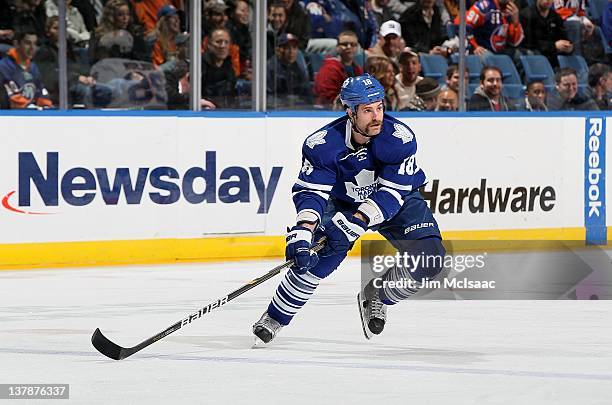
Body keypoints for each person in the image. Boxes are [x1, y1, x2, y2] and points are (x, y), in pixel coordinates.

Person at [252, 74, 444, 344]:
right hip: (341, 202)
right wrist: (304, 229)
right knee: (319, 255)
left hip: (395, 200)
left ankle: (379, 294)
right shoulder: (322, 144)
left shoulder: (399, 139)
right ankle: (275, 316)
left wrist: (355, 222)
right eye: (367, 110)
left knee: (430, 258)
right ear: (350, 113)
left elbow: (392, 193)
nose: (376, 116)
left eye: (379, 107)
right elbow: (312, 192)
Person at [0, 29, 53, 108]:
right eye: (28, 43)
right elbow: (12, 98)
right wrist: (31, 107)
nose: (32, 48)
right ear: (16, 44)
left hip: (29, 113)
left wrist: (46, 105)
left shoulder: (33, 67)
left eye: (35, 44)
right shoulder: (4, 66)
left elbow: (40, 91)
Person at [313, 30, 364, 107]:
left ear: (357, 48)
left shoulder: (358, 69)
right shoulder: (329, 69)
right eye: (344, 44)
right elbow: (326, 99)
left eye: (353, 44)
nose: (349, 47)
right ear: (337, 47)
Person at [519, 0, 572, 67]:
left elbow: (563, 37)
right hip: (535, 57)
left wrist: (569, 47)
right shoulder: (525, 15)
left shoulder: (555, 17)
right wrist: (554, 46)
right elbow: (529, 43)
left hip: (553, 56)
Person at [267, 32, 311, 109]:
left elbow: (306, 93)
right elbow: (268, 96)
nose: (291, 52)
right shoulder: (270, 67)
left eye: (294, 48)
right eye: (287, 48)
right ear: (278, 50)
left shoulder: (298, 67)